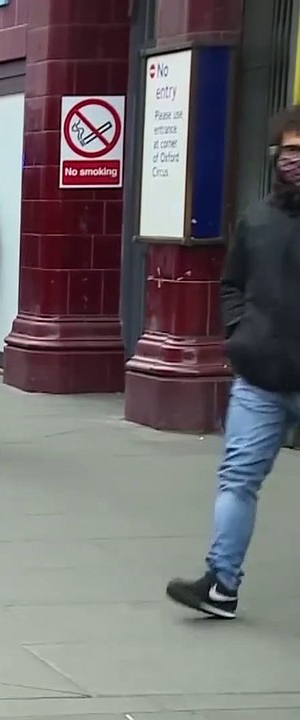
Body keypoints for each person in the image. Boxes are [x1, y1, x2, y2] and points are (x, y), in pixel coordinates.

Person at [165, 107, 300, 620]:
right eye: (289, 150)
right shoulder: (257, 217)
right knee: (237, 478)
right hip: (260, 375)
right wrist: (239, 335)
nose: (296, 161)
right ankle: (221, 584)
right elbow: (232, 283)